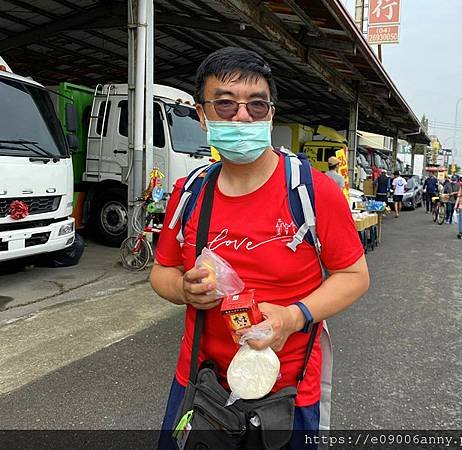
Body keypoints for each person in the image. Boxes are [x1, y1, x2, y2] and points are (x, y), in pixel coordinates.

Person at [150, 47, 370, 449]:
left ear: (270, 112)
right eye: (225, 104)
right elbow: (161, 271)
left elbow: (354, 275)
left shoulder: (312, 190)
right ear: (202, 115)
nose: (242, 117)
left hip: (287, 391)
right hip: (199, 385)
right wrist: (184, 290)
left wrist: (291, 317)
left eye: (256, 105)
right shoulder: (190, 192)